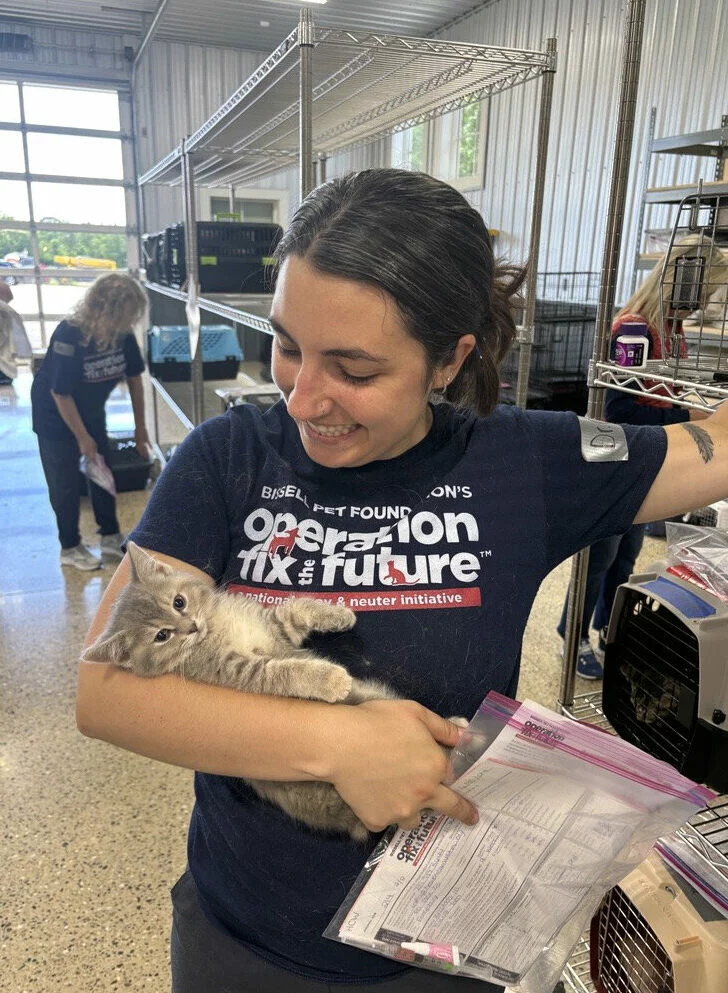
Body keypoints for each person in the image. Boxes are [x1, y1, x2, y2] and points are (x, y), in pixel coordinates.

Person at [76, 170, 728, 993]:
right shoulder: (228, 460)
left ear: (450, 358)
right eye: (287, 345)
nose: (304, 397)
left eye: (352, 368)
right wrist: (338, 741)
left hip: (438, 947)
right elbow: (107, 690)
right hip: (246, 941)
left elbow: (716, 446)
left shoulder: (525, 463)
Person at [557, 235, 728, 679]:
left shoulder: (672, 331)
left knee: (627, 556)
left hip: (650, 455)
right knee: (601, 555)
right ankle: (570, 637)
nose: (703, 304)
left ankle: (611, 631)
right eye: (703, 292)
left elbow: (660, 396)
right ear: (681, 282)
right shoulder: (634, 327)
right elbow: (620, 407)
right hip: (617, 454)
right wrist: (685, 411)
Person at [31, 272, 150, 571]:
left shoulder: (122, 334)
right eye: (124, 315)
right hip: (54, 417)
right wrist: (82, 438)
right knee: (65, 483)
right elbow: (60, 393)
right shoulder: (69, 334)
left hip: (92, 411)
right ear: (102, 310)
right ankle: (69, 546)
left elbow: (135, 379)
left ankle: (110, 537)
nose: (129, 322)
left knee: (102, 472)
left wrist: (140, 428)